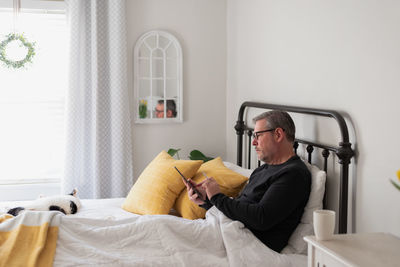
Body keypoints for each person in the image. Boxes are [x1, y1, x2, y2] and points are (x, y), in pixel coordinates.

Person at [186, 110, 311, 253]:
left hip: (249, 244)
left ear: (278, 135)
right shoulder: (261, 170)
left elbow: (261, 218)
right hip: (230, 232)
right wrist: (206, 201)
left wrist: (217, 197)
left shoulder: (293, 174)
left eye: (258, 135)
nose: (253, 142)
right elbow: (239, 209)